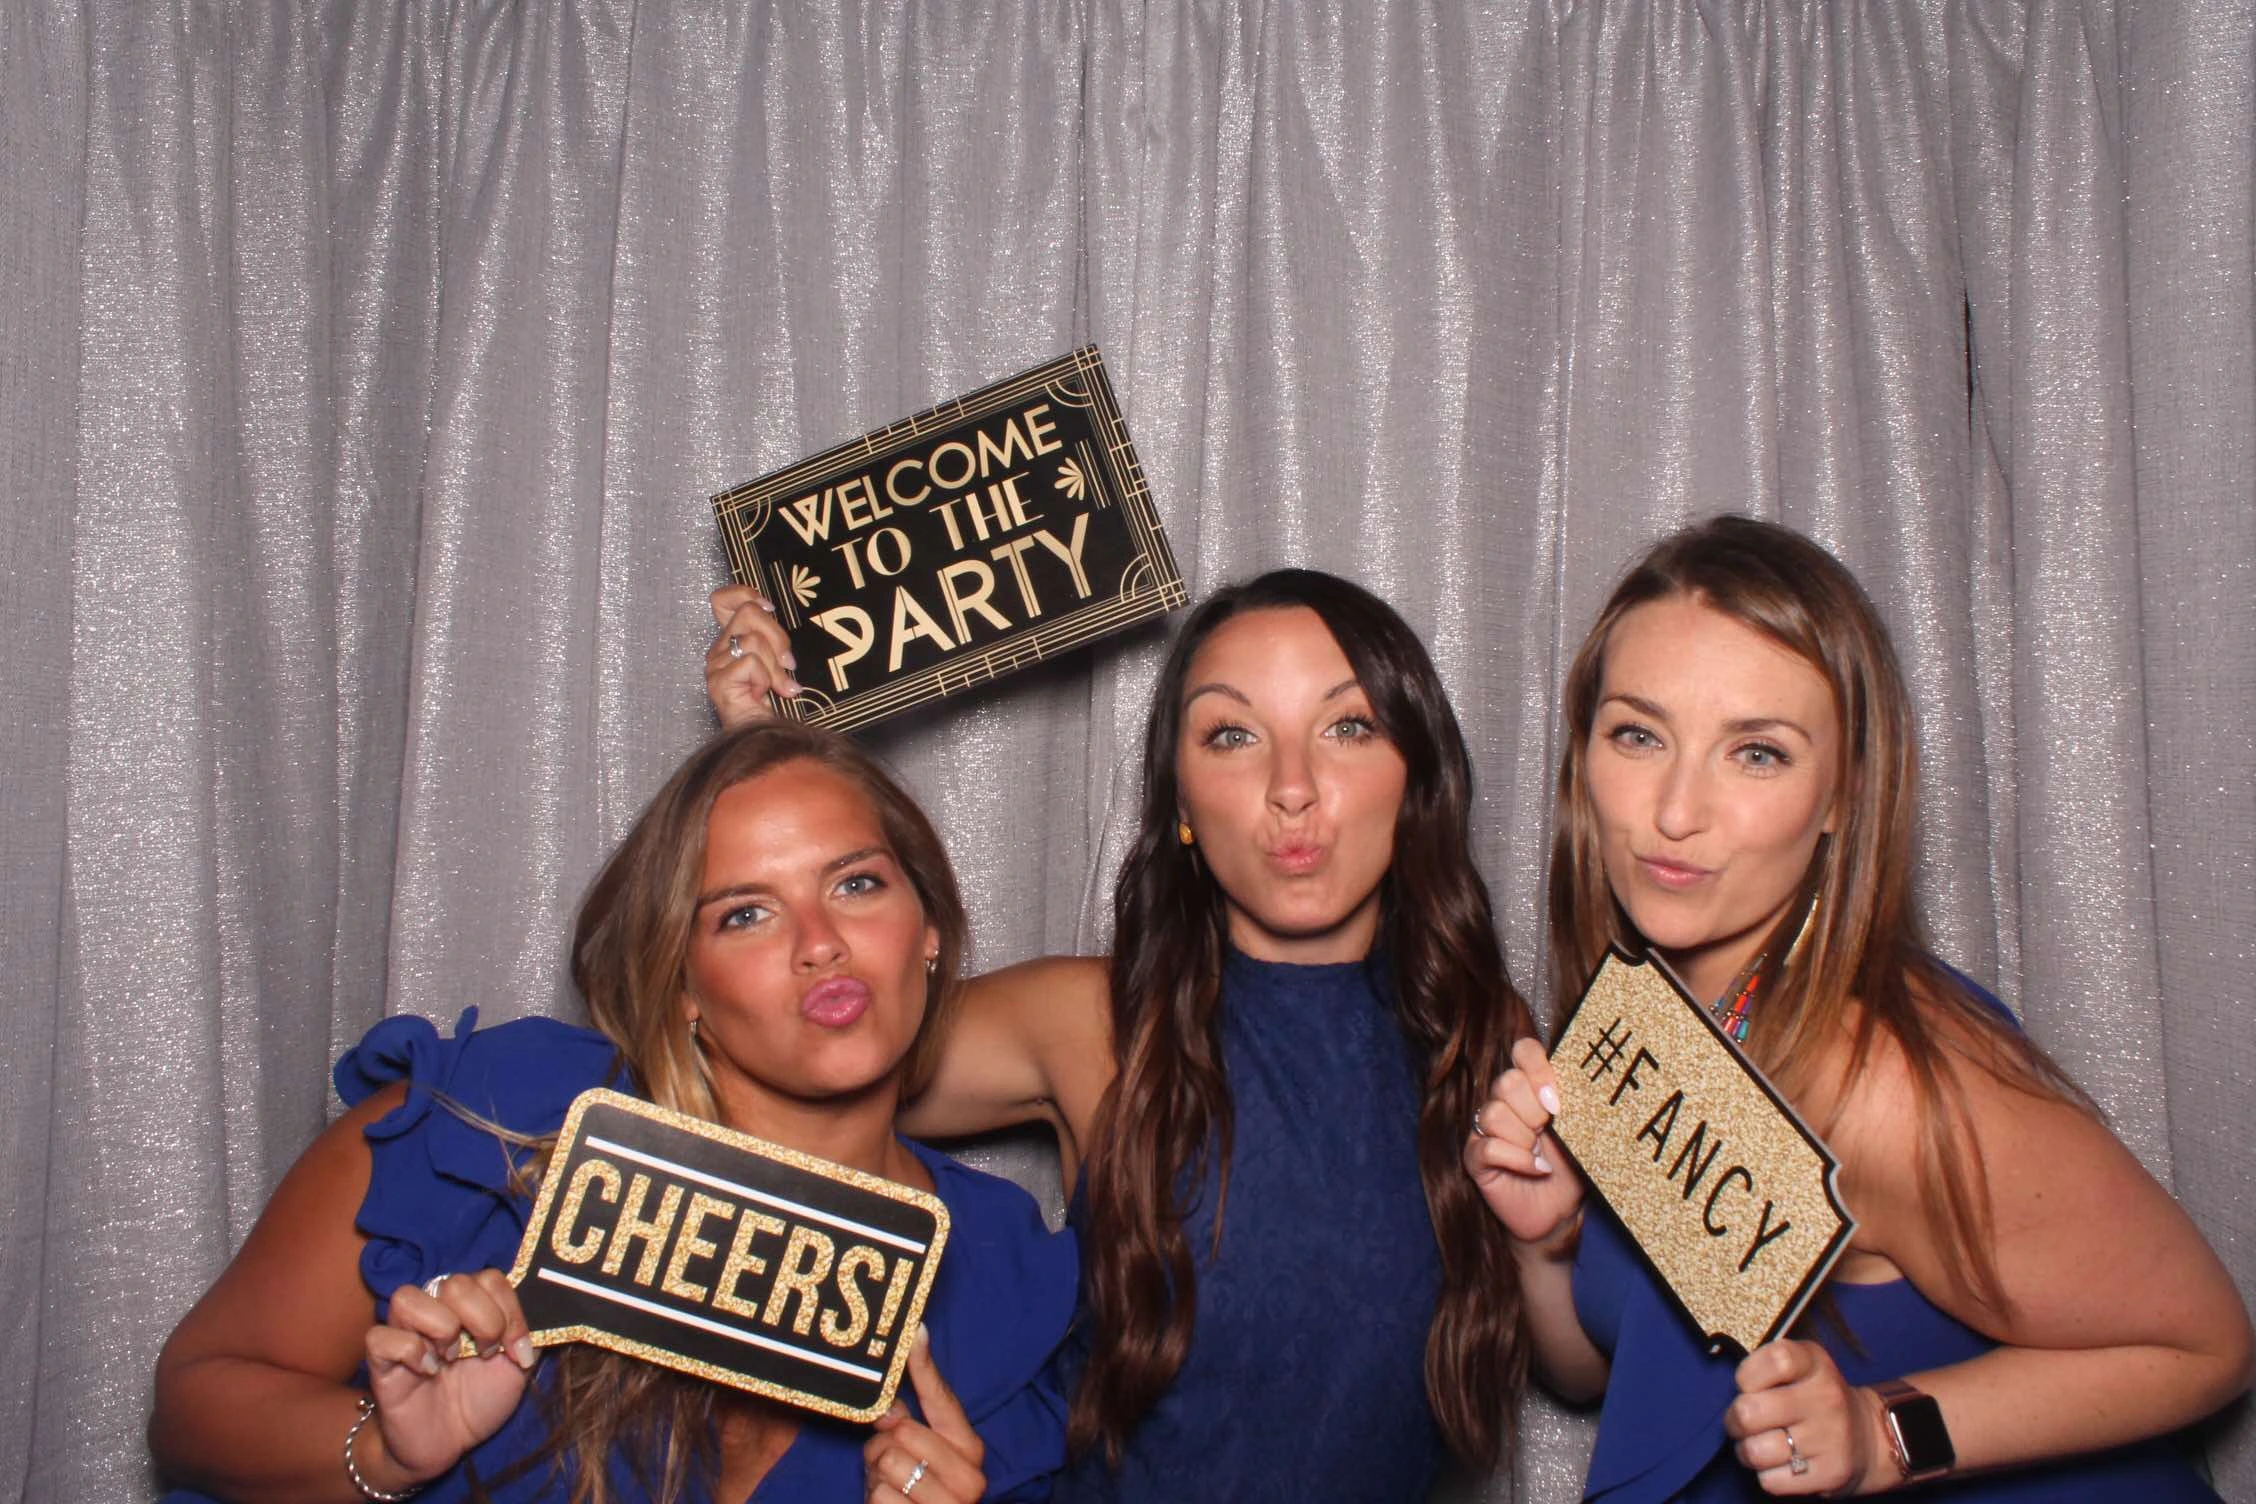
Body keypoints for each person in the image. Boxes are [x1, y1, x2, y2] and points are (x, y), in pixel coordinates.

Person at [1464, 515, 2254, 1500]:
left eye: (1756, 753)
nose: (1673, 809)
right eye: (1638, 733)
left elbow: (2206, 1345)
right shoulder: (1655, 1022)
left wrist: (1885, 1432)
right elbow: (1605, 1373)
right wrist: (1547, 1240)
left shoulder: (1883, 1077)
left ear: (1843, 793)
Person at [709, 569, 1537, 1500]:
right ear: (1180, 801)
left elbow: (1582, 1363)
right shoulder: (1093, 1023)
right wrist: (770, 762)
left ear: (1417, 770)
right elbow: (793, 1072)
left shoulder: (1483, 1029)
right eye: (1232, 735)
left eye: (1348, 727)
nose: (1292, 789)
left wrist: (1548, 1239)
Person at [149, 721, 1076, 1503]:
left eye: (857, 884)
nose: (820, 946)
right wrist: (392, 1453)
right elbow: (193, 1408)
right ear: (681, 987)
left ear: (932, 930)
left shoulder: (1007, 1281)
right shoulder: (494, 1119)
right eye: (744, 914)